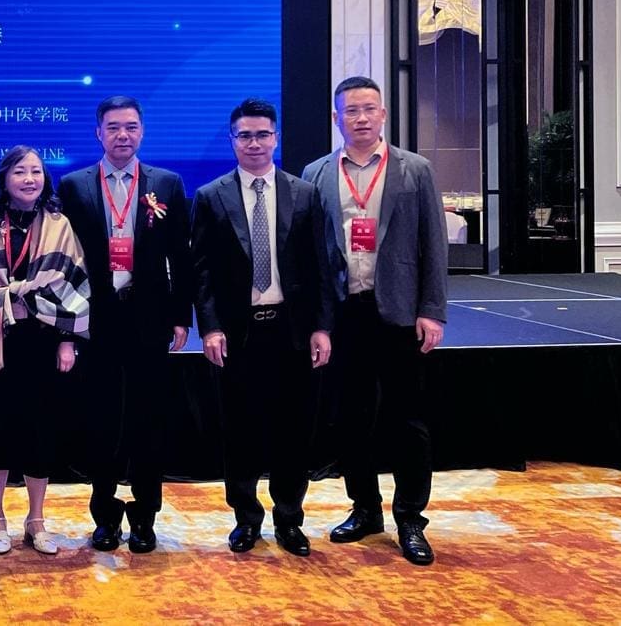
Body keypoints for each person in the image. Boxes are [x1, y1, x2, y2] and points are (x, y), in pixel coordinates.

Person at [301, 76, 448, 566]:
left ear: (383, 114)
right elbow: (313, 255)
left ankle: (410, 518)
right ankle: (365, 509)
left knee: (408, 420)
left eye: (369, 109)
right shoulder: (317, 173)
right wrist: (318, 321)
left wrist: (432, 310)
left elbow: (434, 246)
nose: (361, 118)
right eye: (351, 110)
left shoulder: (416, 170)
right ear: (336, 118)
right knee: (350, 418)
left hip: (400, 313)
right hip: (345, 313)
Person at [190, 98, 332, 557]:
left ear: (276, 137)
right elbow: (201, 271)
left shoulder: (304, 193)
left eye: (262, 134)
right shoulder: (211, 196)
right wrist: (210, 328)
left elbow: (320, 266)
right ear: (232, 140)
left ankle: (289, 519)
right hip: (237, 335)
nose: (254, 143)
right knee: (240, 432)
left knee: (294, 431)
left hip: (292, 332)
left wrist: (322, 327)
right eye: (245, 135)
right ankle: (246, 518)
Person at [55, 95, 192, 554]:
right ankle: (105, 515)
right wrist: (67, 326)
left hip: (148, 316)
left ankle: (145, 517)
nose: (122, 135)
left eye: (131, 127)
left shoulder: (166, 184)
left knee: (149, 419)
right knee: (101, 420)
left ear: (142, 131)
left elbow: (181, 256)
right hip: (96, 319)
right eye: (113, 127)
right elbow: (64, 260)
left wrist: (181, 316)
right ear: (98, 132)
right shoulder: (74, 185)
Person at [0, 146, 90, 555]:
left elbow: (75, 282)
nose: (29, 179)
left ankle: (36, 520)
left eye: (36, 172)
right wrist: (0, 299)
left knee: (41, 428)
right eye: (20, 172)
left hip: (43, 338)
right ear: (4, 178)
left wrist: (67, 340)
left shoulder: (58, 223)